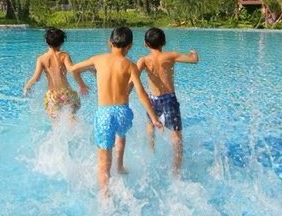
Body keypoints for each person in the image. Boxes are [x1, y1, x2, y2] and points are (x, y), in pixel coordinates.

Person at [68, 27, 162, 195]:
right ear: (130, 46)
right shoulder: (130, 65)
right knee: (120, 134)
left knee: (103, 159)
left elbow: (73, 69)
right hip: (122, 113)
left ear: (109, 43)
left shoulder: (98, 59)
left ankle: (105, 194)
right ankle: (119, 166)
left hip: (104, 113)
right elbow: (141, 93)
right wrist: (154, 118)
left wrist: (81, 83)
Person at [136, 27, 199, 175]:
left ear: (145, 44)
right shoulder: (171, 56)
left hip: (152, 99)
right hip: (169, 99)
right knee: (176, 133)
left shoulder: (143, 60)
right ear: (163, 42)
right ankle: (176, 170)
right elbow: (194, 60)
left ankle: (151, 152)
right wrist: (194, 52)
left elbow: (133, 77)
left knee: (150, 124)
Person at [23, 28, 89, 121]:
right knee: (71, 116)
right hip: (67, 92)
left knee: (56, 121)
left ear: (46, 41)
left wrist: (27, 87)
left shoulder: (41, 59)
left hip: (52, 95)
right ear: (62, 42)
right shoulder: (64, 56)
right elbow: (72, 70)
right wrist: (82, 85)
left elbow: (35, 78)